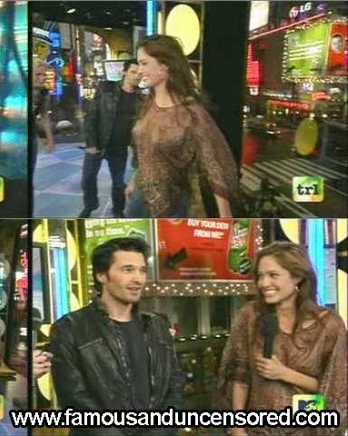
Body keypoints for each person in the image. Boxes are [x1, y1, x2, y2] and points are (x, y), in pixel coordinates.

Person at [49, 237, 184, 435]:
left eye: (142, 270)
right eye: (128, 270)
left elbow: (175, 386)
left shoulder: (157, 326)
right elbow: (74, 399)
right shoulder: (70, 328)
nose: (138, 279)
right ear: (101, 275)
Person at [216, 241, 347, 435]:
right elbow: (238, 375)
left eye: (273, 275)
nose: (263, 283)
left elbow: (337, 388)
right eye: (260, 276)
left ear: (297, 277)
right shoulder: (250, 316)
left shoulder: (329, 325)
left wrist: (284, 373)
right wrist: (237, 428)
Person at [125, 35, 241, 218]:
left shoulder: (192, 114)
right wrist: (133, 180)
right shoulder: (146, 106)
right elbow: (145, 151)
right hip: (138, 200)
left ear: (164, 66)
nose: (139, 71)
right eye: (139, 64)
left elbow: (215, 166)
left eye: (144, 63)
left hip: (173, 205)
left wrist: (226, 217)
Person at [80, 59, 141, 218]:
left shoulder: (141, 99)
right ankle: (90, 205)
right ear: (124, 72)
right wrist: (91, 143)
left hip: (119, 148)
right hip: (98, 143)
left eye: (139, 73)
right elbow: (91, 115)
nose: (137, 76)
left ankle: (118, 210)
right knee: (88, 178)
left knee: (118, 182)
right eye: (133, 72)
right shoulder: (106, 88)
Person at [31, 58, 55, 181]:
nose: (42, 78)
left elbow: (45, 116)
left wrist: (50, 139)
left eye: (44, 75)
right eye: (38, 74)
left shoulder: (44, 93)